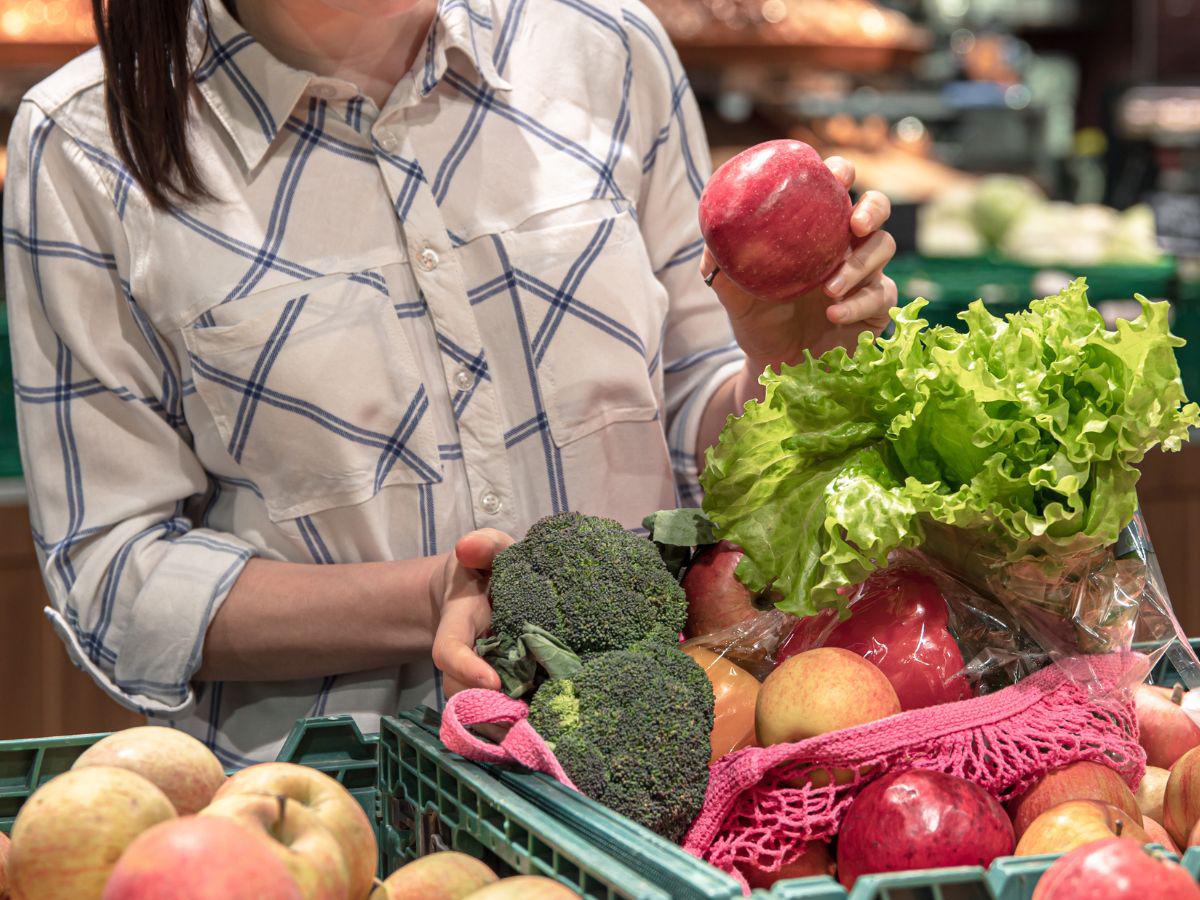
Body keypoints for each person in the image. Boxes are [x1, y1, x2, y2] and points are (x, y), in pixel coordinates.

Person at [2, 0, 896, 763]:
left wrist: (784, 359)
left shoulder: (606, 49)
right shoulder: (86, 147)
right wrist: (431, 599)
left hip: (664, 787)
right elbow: (117, 577)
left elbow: (697, 415)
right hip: (343, 813)